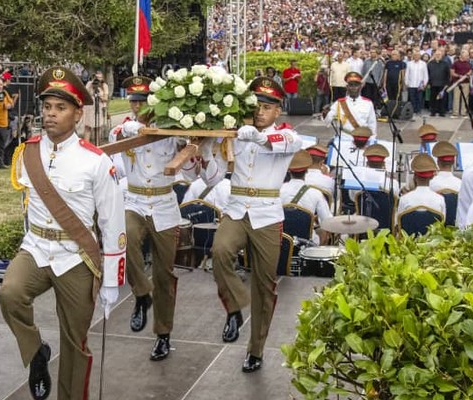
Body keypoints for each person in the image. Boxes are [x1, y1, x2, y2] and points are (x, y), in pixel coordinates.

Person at [0, 66, 126, 400]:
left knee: (75, 342)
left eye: (60, 108)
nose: (51, 114)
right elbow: (28, 208)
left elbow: (113, 223)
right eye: (47, 107)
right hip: (37, 248)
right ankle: (36, 354)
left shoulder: (96, 162)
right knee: (10, 294)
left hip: (76, 257)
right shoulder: (27, 152)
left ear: (77, 112)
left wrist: (111, 280)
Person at [111, 76, 222, 361]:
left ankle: (163, 334)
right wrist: (132, 128)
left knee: (165, 273)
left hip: (163, 203)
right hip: (135, 200)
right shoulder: (124, 129)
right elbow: (117, 142)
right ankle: (140, 294)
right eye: (134, 101)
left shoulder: (173, 133)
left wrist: (197, 150)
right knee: (126, 237)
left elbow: (195, 176)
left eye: (143, 101)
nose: (137, 107)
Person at [210, 76, 301, 373]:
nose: (260, 112)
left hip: (266, 213)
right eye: (255, 106)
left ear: (278, 111)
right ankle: (235, 307)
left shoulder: (287, 135)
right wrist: (204, 150)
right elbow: (214, 175)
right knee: (220, 251)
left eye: (266, 107)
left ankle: (256, 348)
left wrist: (255, 136)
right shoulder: (235, 133)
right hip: (237, 209)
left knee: (265, 285)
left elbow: (282, 142)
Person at [280, 150, 332, 244]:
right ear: (307, 170)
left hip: (281, 241)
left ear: (289, 170)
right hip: (307, 243)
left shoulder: (279, 190)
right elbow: (327, 221)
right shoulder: (316, 193)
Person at [323, 72, 377, 139]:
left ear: (360, 87)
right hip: (343, 138)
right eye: (351, 85)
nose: (353, 87)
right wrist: (326, 114)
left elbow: (372, 124)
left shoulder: (368, 103)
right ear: (347, 87)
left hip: (362, 139)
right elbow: (327, 122)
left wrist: (372, 140)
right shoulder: (339, 103)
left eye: (356, 85)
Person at [397, 154, 446, 221]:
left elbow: (399, 223)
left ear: (414, 176)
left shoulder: (404, 199)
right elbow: (442, 223)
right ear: (432, 177)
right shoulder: (440, 200)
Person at [82, 71, 109, 142]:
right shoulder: (89, 84)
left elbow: (105, 99)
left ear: (102, 78)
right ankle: (86, 146)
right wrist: (91, 85)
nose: (98, 79)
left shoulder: (104, 85)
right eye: (97, 77)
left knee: (97, 127)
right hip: (90, 108)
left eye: (100, 77)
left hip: (99, 108)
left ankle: (97, 145)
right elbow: (84, 93)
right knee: (88, 127)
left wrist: (99, 95)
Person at [427, 50, 451, 117]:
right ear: (434, 55)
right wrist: (428, 83)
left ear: (441, 55)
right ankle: (433, 111)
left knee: (442, 99)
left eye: (439, 54)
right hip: (433, 84)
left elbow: (448, 75)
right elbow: (428, 74)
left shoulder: (445, 64)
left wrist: (447, 83)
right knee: (433, 98)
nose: (437, 56)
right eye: (436, 54)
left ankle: (442, 112)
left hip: (442, 84)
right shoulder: (430, 63)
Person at [450, 50, 473, 118]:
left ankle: (464, 113)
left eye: (468, 56)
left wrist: (469, 73)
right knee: (456, 98)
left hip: (466, 83)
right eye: (466, 56)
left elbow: (471, 71)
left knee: (465, 98)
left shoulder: (469, 64)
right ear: (462, 56)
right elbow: (452, 73)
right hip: (457, 83)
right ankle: (455, 113)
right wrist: (458, 76)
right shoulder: (455, 63)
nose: (467, 57)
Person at [405, 50, 428, 116]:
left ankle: (418, 110)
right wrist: (406, 82)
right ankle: (413, 110)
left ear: (420, 56)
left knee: (419, 98)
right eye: (415, 55)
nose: (416, 57)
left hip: (420, 85)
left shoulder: (423, 64)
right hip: (411, 84)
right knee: (412, 98)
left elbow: (425, 75)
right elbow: (407, 74)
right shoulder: (409, 63)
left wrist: (425, 84)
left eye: (417, 55)